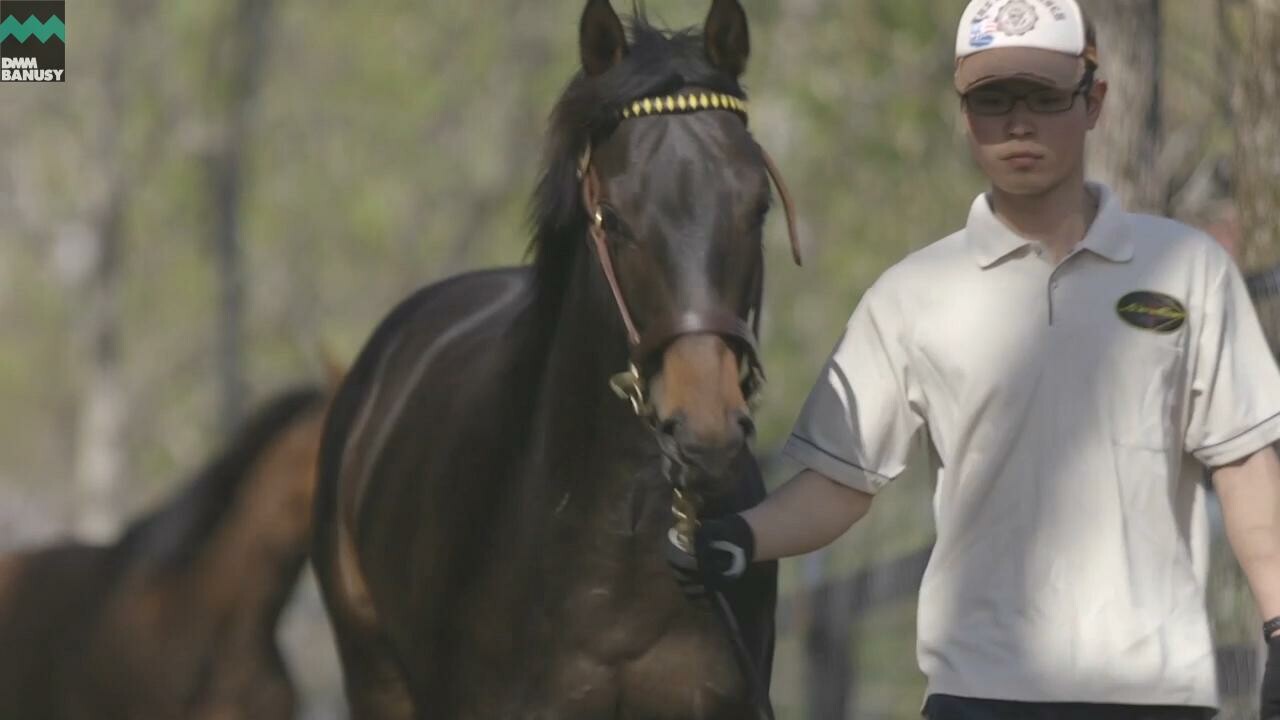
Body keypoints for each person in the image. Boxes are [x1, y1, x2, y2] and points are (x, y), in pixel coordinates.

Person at [666, 0, 1280, 717]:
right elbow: (840, 482)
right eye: (993, 99)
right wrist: (739, 537)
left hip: (1156, 694)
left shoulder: (1187, 269)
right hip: (976, 694)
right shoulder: (911, 295)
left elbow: (1244, 465)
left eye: (1043, 96)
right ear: (964, 113)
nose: (1018, 122)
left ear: (1093, 101)